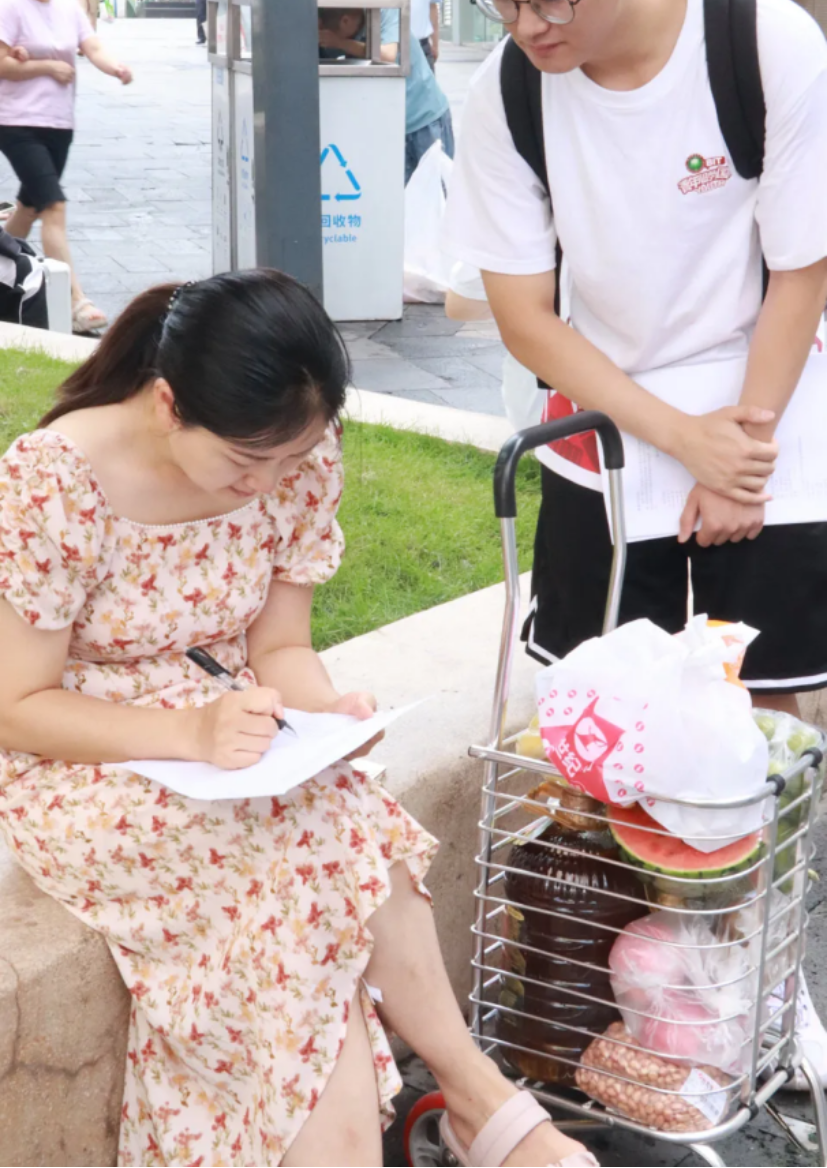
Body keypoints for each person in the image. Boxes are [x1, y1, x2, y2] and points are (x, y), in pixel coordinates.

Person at [0, 267, 598, 1168]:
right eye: (247, 464)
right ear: (167, 404)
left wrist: (324, 710)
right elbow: (17, 708)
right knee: (327, 841)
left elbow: (279, 646)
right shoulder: (55, 481)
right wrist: (188, 734)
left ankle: (464, 1093)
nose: (269, 484)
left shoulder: (297, 454)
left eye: (290, 461)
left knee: (328, 821)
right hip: (81, 763)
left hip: (232, 734)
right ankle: (477, 1097)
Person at [444, 0, 827, 1082]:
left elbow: (800, 269)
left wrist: (739, 452)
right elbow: (524, 315)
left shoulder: (759, 42)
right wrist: (677, 444)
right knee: (594, 719)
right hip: (604, 425)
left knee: (757, 721)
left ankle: (754, 981)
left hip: (771, 404)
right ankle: (609, 1003)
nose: (526, 25)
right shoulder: (505, 91)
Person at [0, 0, 132, 334]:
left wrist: (115, 67)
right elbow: (2, 64)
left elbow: (92, 46)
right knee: (54, 206)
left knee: (29, 209)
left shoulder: (67, 7)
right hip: (17, 123)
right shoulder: (9, 6)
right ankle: (76, 301)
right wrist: (46, 67)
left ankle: (3, 276)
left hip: (59, 124)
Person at [318, 6, 454, 182]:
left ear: (345, 21)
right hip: (389, 127)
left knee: (437, 188)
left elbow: (388, 55)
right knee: (399, 194)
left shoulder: (385, 11)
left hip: (424, 118)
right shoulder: (337, 35)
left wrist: (340, 42)